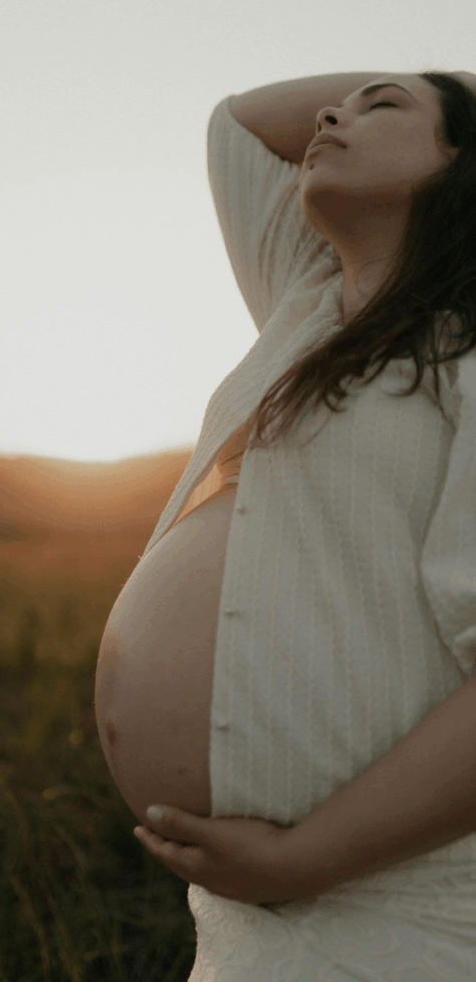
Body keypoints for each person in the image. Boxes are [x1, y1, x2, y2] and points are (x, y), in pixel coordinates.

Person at [135, 68, 476, 980]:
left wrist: (302, 857)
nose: (328, 114)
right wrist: (403, 93)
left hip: (408, 918)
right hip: (259, 926)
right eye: (344, 101)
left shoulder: (468, 345)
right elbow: (237, 127)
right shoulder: (304, 302)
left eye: (383, 108)